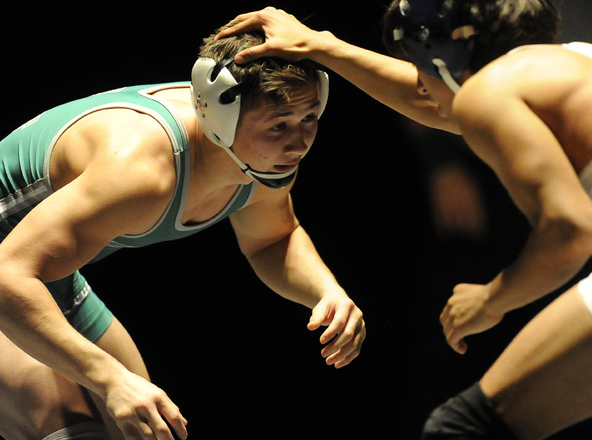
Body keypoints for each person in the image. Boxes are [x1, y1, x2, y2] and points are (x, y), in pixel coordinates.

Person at [215, 0, 592, 438]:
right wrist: (324, 47)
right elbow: (432, 100)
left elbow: (572, 230)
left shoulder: (489, 95)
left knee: (463, 428)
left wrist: (491, 300)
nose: (421, 87)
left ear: (440, 57)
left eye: (418, 66)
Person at [0, 29, 366, 440]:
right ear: (221, 115)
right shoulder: (141, 170)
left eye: (309, 118)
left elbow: (272, 239)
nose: (299, 142)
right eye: (279, 125)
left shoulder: (260, 162)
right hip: (12, 272)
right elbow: (7, 277)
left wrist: (326, 292)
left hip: (37, 270)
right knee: (70, 428)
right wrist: (107, 378)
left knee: (149, 428)